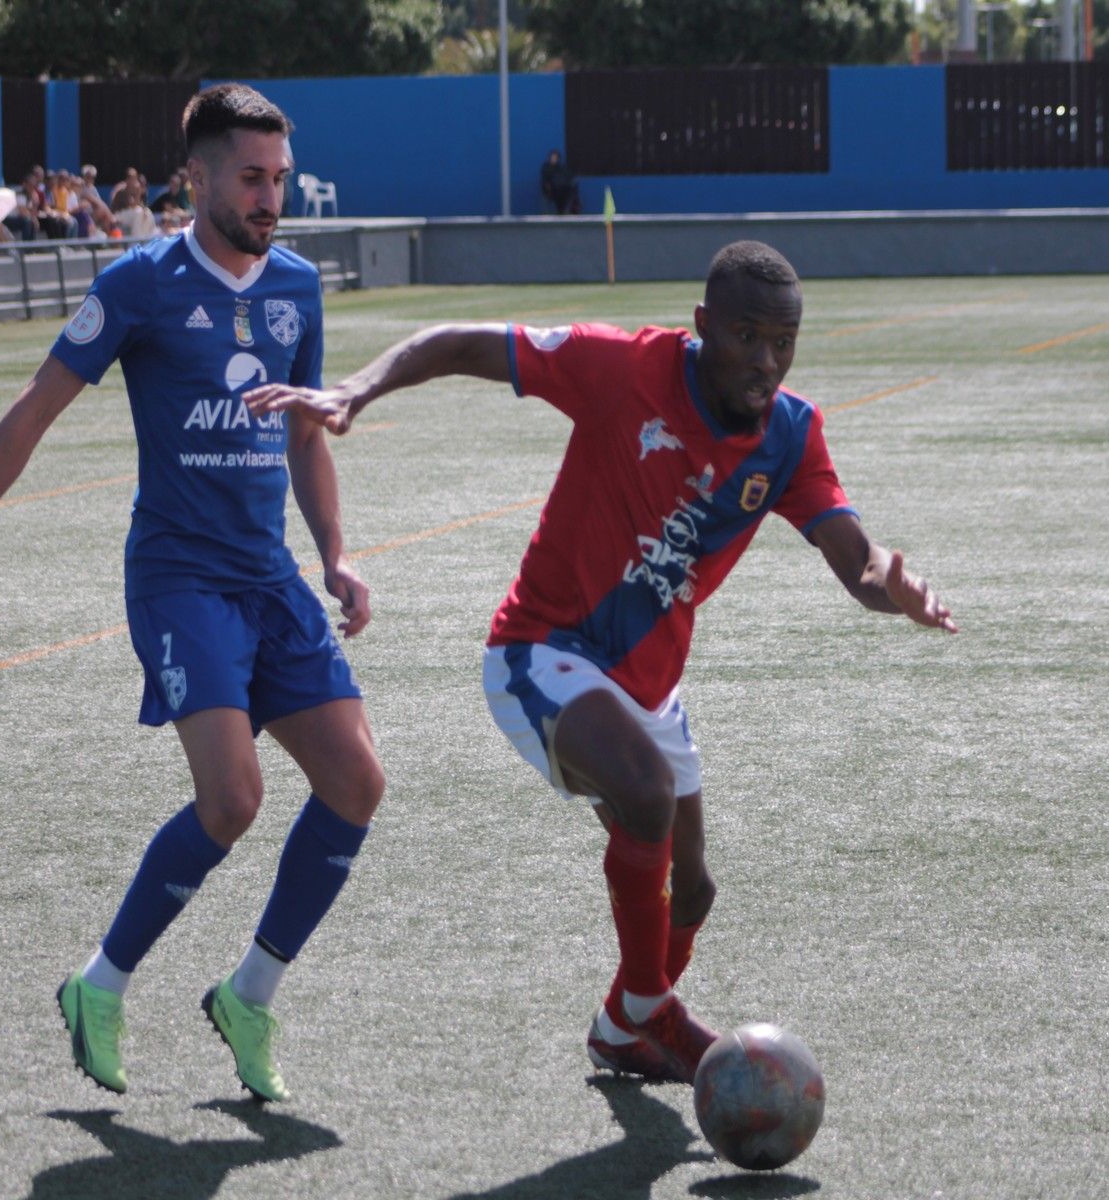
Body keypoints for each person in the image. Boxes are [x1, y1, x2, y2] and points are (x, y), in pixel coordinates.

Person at [244, 239, 957, 1085]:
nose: (766, 363)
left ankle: (623, 1025)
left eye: (784, 344)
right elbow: (465, 342)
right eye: (746, 338)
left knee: (692, 894)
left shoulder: (792, 436)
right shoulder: (623, 368)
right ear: (703, 329)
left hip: (649, 683)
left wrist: (892, 587)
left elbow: (857, 562)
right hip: (540, 651)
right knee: (646, 793)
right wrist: (359, 386)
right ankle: (655, 1009)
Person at [0, 82, 385, 1105]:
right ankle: (101, 984)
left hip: (270, 577)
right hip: (179, 578)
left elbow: (305, 429)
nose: (270, 198)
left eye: (280, 180)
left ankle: (249, 992)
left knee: (355, 784)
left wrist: (336, 553)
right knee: (234, 798)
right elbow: (35, 408)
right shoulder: (139, 284)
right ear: (198, 177)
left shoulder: (296, 287)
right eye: (251, 178)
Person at [539, 149, 581, 216]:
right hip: (551, 191)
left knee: (572, 190)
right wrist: (548, 186)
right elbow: (545, 180)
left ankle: (567, 212)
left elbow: (568, 177)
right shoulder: (546, 167)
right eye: (552, 157)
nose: (554, 159)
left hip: (562, 191)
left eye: (555, 158)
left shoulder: (561, 167)